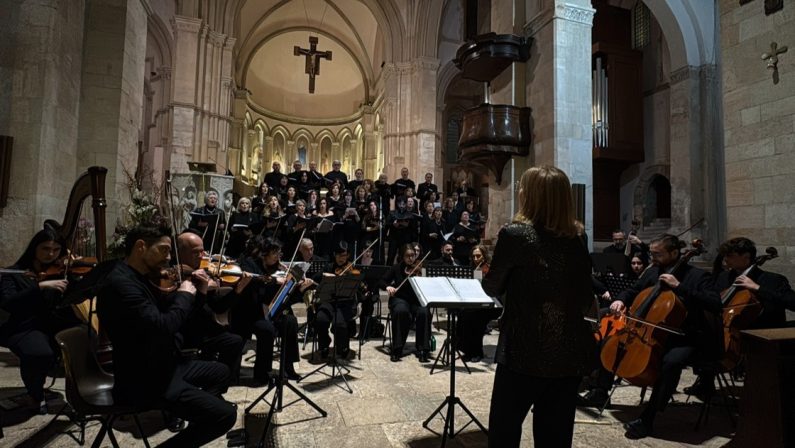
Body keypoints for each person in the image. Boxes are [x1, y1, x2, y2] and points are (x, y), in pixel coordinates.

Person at [482, 166, 595, 448]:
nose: (519, 190)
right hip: (568, 351)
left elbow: (492, 287)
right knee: (555, 437)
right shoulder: (578, 236)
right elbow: (583, 296)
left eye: (523, 186)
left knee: (504, 432)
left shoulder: (515, 234)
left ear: (530, 196)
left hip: (524, 349)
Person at [96, 224, 236, 447]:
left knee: (220, 371)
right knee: (225, 415)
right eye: (164, 250)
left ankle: (196, 417)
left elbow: (182, 318)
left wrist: (197, 294)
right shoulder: (120, 284)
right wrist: (184, 295)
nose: (169, 258)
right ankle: (199, 416)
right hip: (143, 379)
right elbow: (164, 325)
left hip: (163, 364)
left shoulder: (141, 277)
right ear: (141, 247)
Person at [599, 234, 721, 439]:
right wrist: (620, 300)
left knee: (671, 362)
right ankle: (600, 392)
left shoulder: (698, 276)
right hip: (650, 333)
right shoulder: (653, 272)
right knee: (610, 340)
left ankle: (649, 417)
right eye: (652, 253)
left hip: (686, 336)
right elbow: (633, 291)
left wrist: (679, 287)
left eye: (658, 254)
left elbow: (715, 304)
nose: (652, 257)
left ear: (674, 253)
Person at [684, 237, 795, 397]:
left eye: (730, 255)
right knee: (700, 335)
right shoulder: (724, 278)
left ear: (746, 256)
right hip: (732, 332)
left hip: (761, 338)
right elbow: (714, 302)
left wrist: (757, 288)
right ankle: (705, 380)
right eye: (725, 255)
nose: (725, 259)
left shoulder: (772, 280)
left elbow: (792, 302)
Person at [0, 226, 80, 414]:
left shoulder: (61, 271)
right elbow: (8, 303)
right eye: (45, 249)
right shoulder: (14, 273)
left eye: (56, 250)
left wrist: (73, 272)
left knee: (85, 338)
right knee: (39, 353)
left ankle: (83, 391)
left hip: (53, 323)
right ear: (34, 248)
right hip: (23, 326)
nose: (50, 254)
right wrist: (40, 286)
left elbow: (74, 295)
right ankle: (34, 395)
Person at [230, 237, 311, 383]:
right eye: (274, 253)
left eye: (279, 253)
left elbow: (285, 300)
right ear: (264, 254)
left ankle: (288, 367)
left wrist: (298, 288)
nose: (278, 257)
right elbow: (256, 281)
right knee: (267, 330)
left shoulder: (278, 269)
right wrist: (275, 280)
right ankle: (262, 373)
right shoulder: (250, 263)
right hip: (251, 312)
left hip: (270, 310)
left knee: (290, 321)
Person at [176, 231, 245, 383]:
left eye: (203, 251)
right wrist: (202, 290)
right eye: (196, 252)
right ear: (180, 252)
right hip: (187, 332)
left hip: (206, 329)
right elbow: (188, 313)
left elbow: (219, 307)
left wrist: (237, 291)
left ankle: (224, 383)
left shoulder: (202, 273)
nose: (203, 256)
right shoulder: (176, 276)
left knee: (235, 341)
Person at [381, 244, 431, 363]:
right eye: (407, 256)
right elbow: (382, 281)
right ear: (402, 257)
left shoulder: (421, 268)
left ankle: (423, 349)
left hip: (417, 300)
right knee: (400, 311)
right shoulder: (396, 268)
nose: (411, 259)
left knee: (424, 312)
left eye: (413, 256)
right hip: (400, 299)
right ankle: (397, 348)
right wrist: (388, 287)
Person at [312, 242, 358, 359]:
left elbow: (359, 287)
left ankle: (342, 347)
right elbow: (314, 279)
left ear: (348, 255)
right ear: (334, 255)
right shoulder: (328, 267)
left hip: (345, 303)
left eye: (344, 255)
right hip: (328, 301)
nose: (341, 258)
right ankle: (324, 345)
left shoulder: (352, 269)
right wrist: (323, 276)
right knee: (321, 319)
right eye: (339, 255)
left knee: (339, 323)